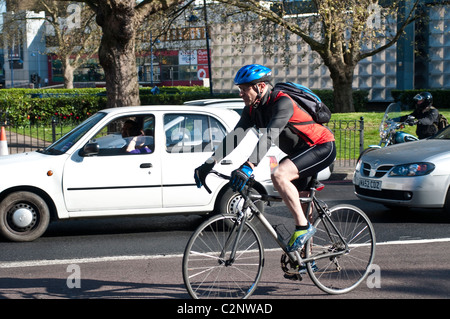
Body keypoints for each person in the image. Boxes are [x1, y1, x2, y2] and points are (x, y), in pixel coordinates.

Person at [194, 64, 336, 253]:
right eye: (240, 89)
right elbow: (234, 138)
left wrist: (249, 165)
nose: (241, 94)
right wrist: (209, 163)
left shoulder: (282, 103)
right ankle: (306, 259)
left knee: (279, 175)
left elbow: (268, 136)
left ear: (260, 87)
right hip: (300, 153)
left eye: (244, 89)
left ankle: (303, 228)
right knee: (300, 200)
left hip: (321, 146)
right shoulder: (252, 109)